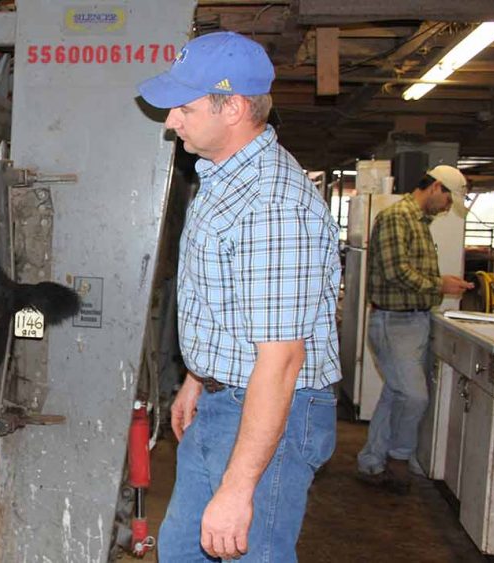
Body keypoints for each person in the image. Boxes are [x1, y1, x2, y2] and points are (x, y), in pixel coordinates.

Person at [137, 31, 342, 561]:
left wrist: (238, 487)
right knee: (182, 550)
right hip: (224, 400)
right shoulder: (223, 180)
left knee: (251, 549)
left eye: (183, 107)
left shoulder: (272, 204)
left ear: (233, 109)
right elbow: (222, 301)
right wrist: (197, 380)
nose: (170, 121)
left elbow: (282, 359)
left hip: (270, 409)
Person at [356, 165, 473, 492]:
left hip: (412, 320)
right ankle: (398, 458)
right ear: (436, 186)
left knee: (395, 394)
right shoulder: (398, 217)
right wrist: (441, 285)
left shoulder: (419, 222)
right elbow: (397, 272)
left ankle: (372, 461)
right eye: (448, 201)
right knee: (414, 396)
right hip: (396, 321)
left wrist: (439, 286)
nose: (448, 209)